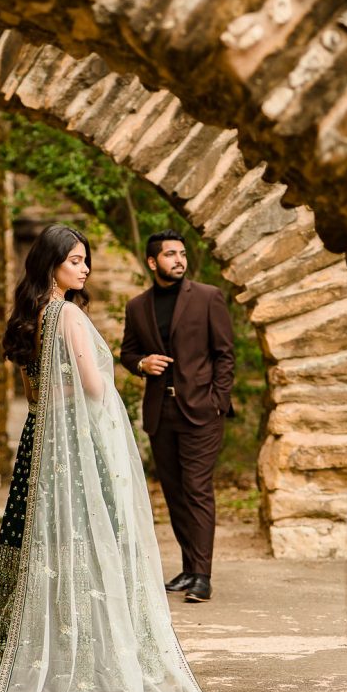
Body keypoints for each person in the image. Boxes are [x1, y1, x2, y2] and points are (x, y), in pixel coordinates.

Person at [0, 223, 300, 692]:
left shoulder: (31, 317)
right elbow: (94, 387)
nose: (85, 268)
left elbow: (34, 389)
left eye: (86, 259)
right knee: (90, 534)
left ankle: (4, 645)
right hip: (72, 440)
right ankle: (84, 648)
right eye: (75, 260)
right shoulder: (69, 315)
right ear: (51, 264)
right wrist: (107, 379)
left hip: (39, 435)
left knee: (30, 538)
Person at [120, 230, 234, 604]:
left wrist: (217, 400)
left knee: (197, 488)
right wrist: (141, 363)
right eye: (170, 254)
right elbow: (127, 352)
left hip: (201, 410)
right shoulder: (137, 306)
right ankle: (189, 567)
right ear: (153, 262)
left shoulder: (207, 297)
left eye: (182, 254)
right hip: (160, 411)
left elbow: (224, 354)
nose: (179, 260)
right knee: (175, 493)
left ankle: (203, 575)